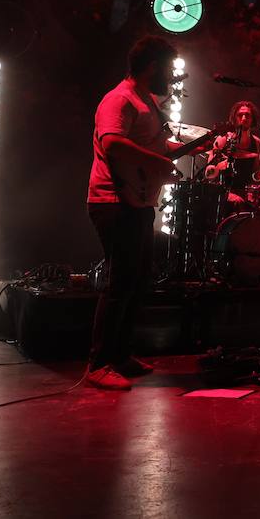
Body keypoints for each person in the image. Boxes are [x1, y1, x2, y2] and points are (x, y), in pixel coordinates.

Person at [84, 36, 197, 391]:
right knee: (121, 282)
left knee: (136, 280)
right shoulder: (119, 99)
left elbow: (152, 145)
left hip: (136, 200)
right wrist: (159, 162)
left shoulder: (147, 101)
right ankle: (98, 363)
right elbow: (112, 143)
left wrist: (194, 145)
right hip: (112, 200)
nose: (171, 77)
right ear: (152, 66)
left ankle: (118, 356)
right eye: (167, 68)